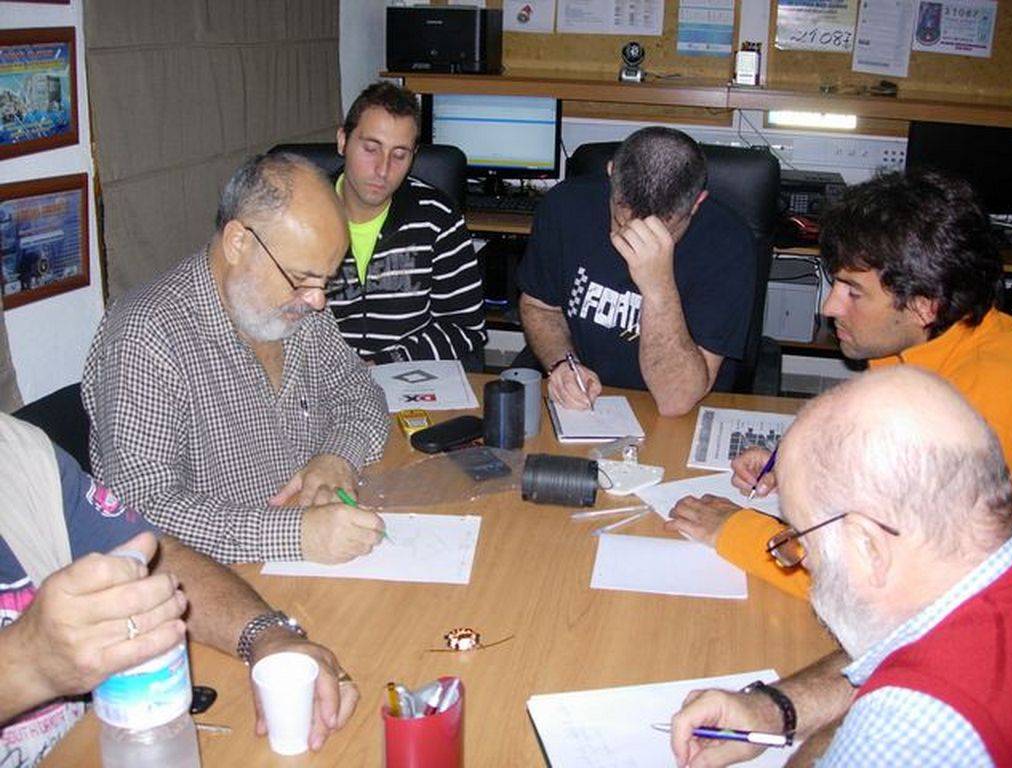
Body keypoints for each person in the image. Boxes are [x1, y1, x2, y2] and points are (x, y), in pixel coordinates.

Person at [667, 171, 1012, 598]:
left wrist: (740, 533)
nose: (830, 306)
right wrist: (802, 470)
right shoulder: (925, 342)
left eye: (853, 291)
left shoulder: (978, 415)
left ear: (924, 306)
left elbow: (888, 590)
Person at [671, 367, 1012, 767]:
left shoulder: (905, 733)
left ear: (869, 546)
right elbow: (905, 644)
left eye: (802, 541)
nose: (802, 559)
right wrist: (775, 709)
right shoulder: (984, 571)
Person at [83, 153, 391, 565]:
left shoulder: (297, 307)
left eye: (326, 281)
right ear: (238, 243)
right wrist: (295, 535)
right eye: (301, 278)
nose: (318, 301)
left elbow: (360, 392)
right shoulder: (146, 335)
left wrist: (337, 457)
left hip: (311, 563)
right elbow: (142, 511)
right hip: (220, 579)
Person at [0, 412, 357, 766]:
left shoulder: (18, 450)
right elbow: (154, 500)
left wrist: (268, 636)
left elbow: (152, 560)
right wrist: (28, 663)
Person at [517, 126, 755, 416]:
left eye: (660, 234)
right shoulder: (564, 205)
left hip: (680, 417)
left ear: (697, 203)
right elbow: (540, 307)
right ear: (611, 173)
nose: (632, 240)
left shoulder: (728, 244)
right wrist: (564, 363)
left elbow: (676, 400)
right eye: (622, 223)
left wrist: (658, 287)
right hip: (587, 410)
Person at [327, 81, 486, 365]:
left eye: (399, 155)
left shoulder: (437, 217)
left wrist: (385, 362)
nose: (383, 169)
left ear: (414, 157)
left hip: (407, 375)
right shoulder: (301, 217)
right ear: (343, 141)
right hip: (320, 380)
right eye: (371, 149)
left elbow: (465, 327)